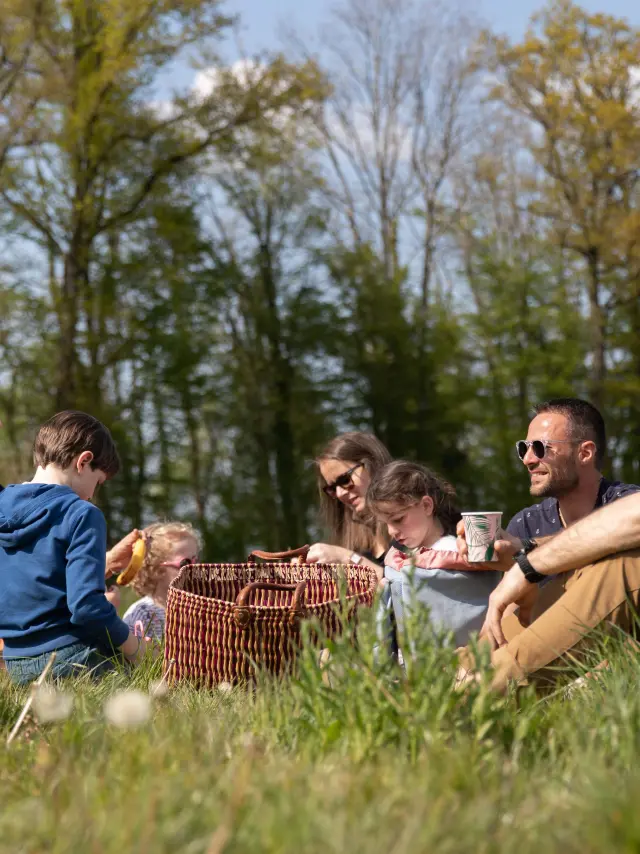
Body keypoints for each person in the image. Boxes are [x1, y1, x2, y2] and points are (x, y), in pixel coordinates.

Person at [0, 410, 153, 685]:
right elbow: (86, 606)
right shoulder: (82, 513)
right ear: (84, 461)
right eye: (98, 482)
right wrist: (135, 647)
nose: (92, 494)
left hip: (16, 664)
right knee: (152, 688)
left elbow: (39, 577)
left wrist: (105, 562)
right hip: (73, 658)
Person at [456, 492, 640, 692]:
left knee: (622, 562)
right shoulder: (527, 519)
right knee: (468, 660)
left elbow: (631, 521)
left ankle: (475, 692)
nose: (528, 460)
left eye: (541, 456)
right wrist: (524, 550)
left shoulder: (621, 496)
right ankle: (452, 673)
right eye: (522, 456)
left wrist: (528, 566)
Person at [368, 461, 500, 647]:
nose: (391, 531)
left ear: (427, 506)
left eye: (398, 519)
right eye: (385, 523)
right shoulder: (401, 557)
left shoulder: (456, 549)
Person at [308, 432, 393, 576]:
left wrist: (347, 559)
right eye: (332, 488)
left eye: (344, 480)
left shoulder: (416, 527)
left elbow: (408, 591)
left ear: (373, 464)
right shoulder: (352, 543)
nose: (340, 494)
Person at [123, 521, 201, 640]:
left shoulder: (196, 608)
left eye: (196, 560)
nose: (194, 568)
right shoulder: (143, 613)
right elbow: (130, 655)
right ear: (156, 569)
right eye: (185, 563)